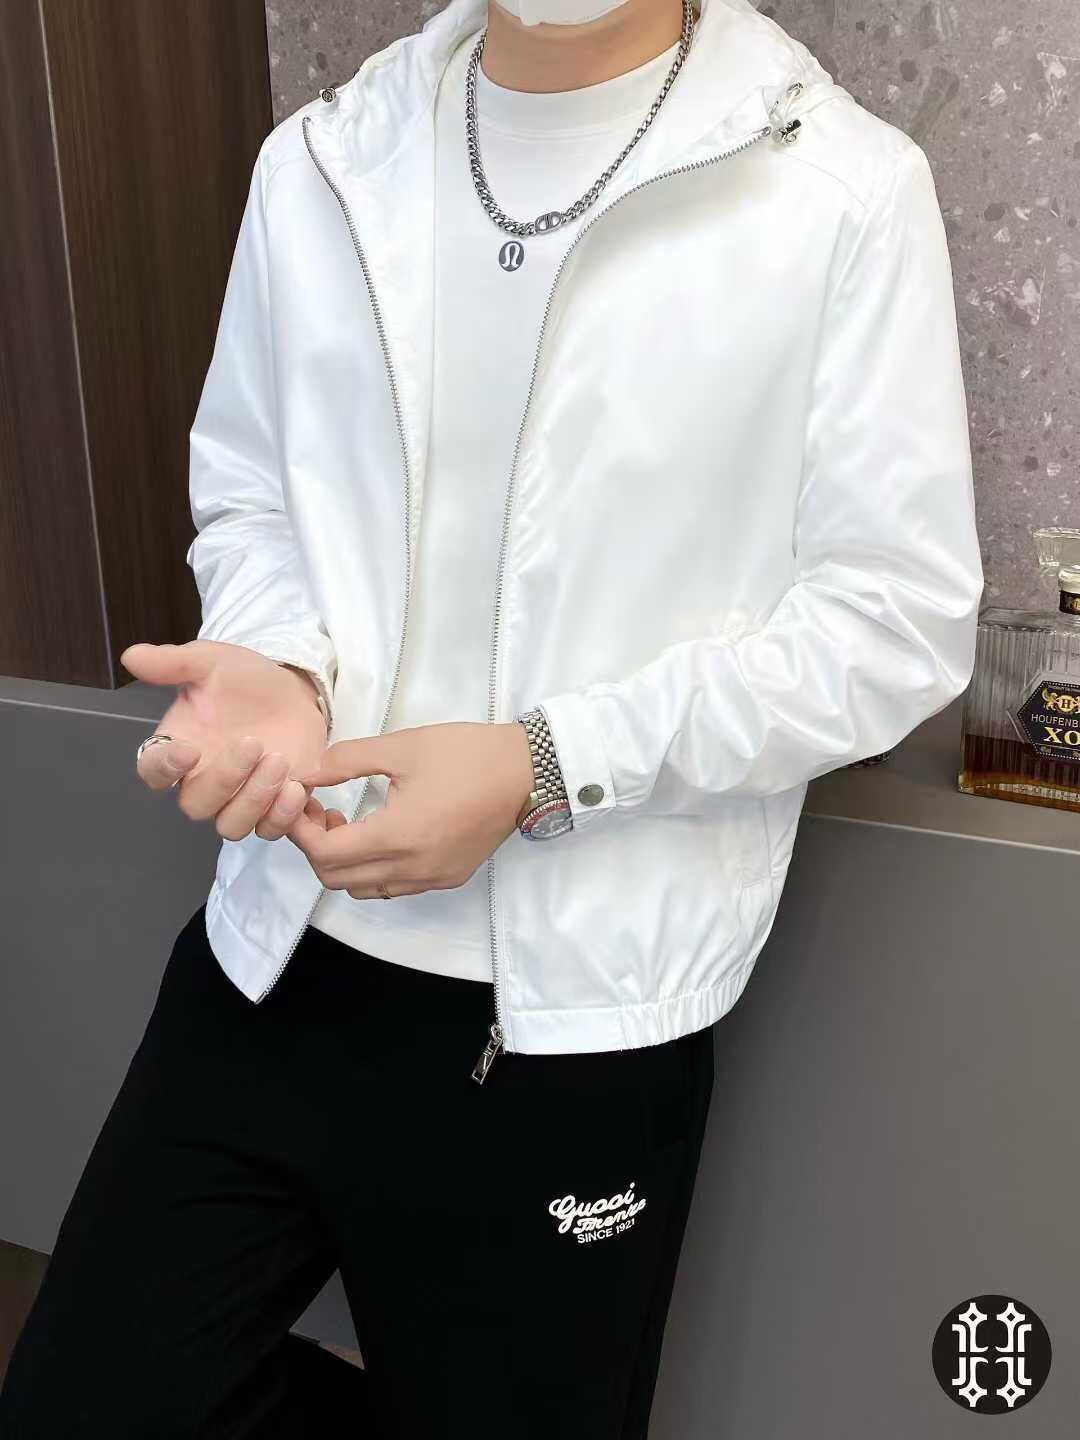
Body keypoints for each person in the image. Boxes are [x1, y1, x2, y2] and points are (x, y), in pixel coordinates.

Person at [0, 0, 984, 1434]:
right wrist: (283, 663)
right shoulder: (326, 160)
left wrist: (545, 763)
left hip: (577, 1015)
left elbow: (893, 620)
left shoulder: (839, 188)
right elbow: (253, 491)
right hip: (274, 948)